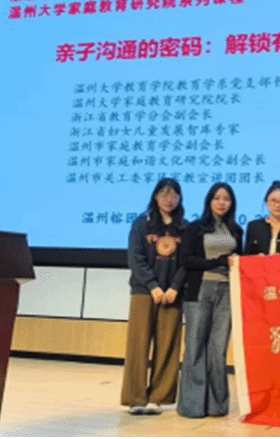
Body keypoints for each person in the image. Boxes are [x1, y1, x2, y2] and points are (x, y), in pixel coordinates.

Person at [121, 178, 187, 415]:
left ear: (180, 198)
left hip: (172, 294)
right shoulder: (142, 223)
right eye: (164, 194)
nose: (169, 199)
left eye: (174, 195)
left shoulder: (184, 227)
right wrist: (153, 286)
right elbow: (135, 257)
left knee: (168, 345)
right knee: (138, 344)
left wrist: (175, 287)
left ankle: (158, 398)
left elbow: (186, 261)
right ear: (155, 196)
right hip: (144, 291)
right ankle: (135, 397)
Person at [178, 182, 243, 418]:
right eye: (217, 198)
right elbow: (186, 259)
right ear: (209, 200)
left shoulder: (236, 230)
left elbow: (238, 261)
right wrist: (217, 262)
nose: (222, 202)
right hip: (200, 289)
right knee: (195, 346)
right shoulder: (195, 227)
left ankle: (217, 405)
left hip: (227, 291)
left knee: (218, 348)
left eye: (226, 199)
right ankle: (193, 406)